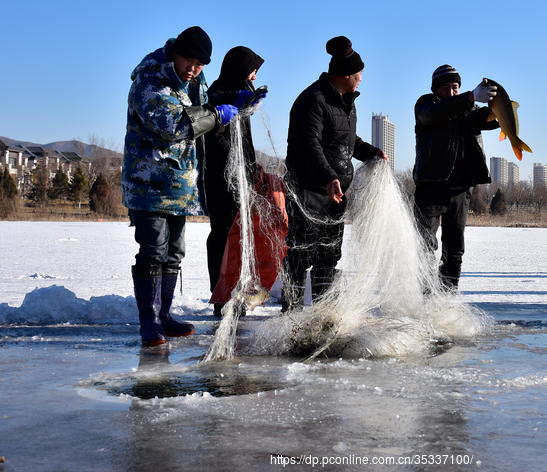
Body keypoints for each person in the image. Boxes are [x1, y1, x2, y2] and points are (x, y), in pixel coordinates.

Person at [122, 26, 238, 346]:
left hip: (180, 183)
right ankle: (150, 322)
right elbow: (175, 124)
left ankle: (165, 315)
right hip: (149, 183)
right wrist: (218, 114)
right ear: (175, 51)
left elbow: (205, 104)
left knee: (174, 251)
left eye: (200, 65)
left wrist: (234, 97)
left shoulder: (193, 78)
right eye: (189, 60)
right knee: (154, 249)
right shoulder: (150, 79)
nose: (193, 69)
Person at [281, 36, 386, 311]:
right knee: (300, 255)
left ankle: (324, 314)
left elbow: (346, 142)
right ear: (348, 74)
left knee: (328, 256)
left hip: (334, 197)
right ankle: (290, 315)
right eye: (360, 73)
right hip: (308, 191)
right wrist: (328, 177)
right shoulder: (312, 100)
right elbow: (308, 145)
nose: (362, 78)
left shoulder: (345, 102)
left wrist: (372, 152)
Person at [413, 65, 500, 290]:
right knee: (424, 247)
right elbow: (436, 113)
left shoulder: (468, 112)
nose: (452, 92)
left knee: (454, 251)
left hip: (461, 190)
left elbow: (492, 119)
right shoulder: (425, 105)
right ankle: (425, 301)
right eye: (446, 88)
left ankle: (448, 300)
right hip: (431, 189)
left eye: (456, 87)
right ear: (435, 90)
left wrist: (498, 103)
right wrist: (470, 97)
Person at [202, 46, 267, 317]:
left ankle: (236, 292)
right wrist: (239, 166)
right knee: (223, 237)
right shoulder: (218, 96)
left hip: (239, 178)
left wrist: (251, 167)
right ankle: (222, 296)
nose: (253, 78)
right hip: (221, 180)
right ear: (239, 70)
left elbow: (245, 142)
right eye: (251, 71)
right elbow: (216, 138)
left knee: (240, 238)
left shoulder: (236, 97)